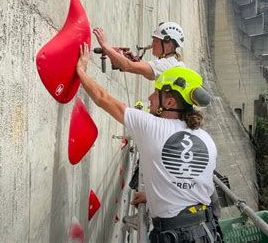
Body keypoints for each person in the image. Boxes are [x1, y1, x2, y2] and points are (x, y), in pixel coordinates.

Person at [76, 42, 221, 242]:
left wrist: (81, 71)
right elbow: (190, 182)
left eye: (157, 93)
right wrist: (152, 196)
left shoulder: (151, 126)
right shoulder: (207, 139)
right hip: (207, 231)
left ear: (169, 102)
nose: (150, 97)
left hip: (175, 236)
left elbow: (103, 98)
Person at [93, 21, 187, 80]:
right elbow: (149, 74)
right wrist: (136, 62)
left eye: (156, 40)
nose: (152, 44)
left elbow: (127, 66)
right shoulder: (173, 63)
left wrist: (105, 46)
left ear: (169, 44)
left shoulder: (167, 65)